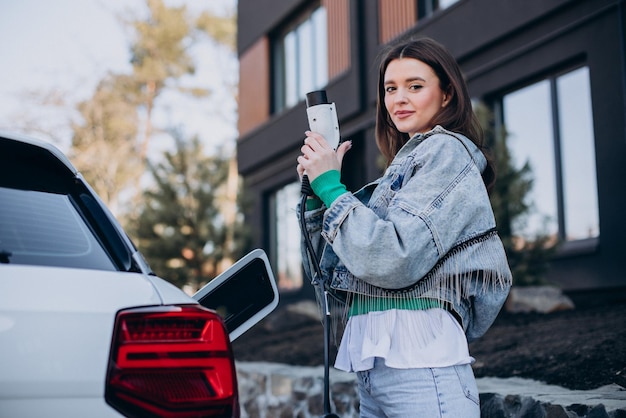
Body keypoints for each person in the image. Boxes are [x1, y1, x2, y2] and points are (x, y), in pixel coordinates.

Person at [296, 37, 512, 417]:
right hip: (375, 367)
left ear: (447, 94)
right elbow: (327, 274)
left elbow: (394, 258)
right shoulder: (396, 176)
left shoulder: (446, 151)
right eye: (390, 89)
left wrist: (333, 188)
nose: (399, 99)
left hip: (420, 364)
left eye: (415, 86)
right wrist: (317, 196)